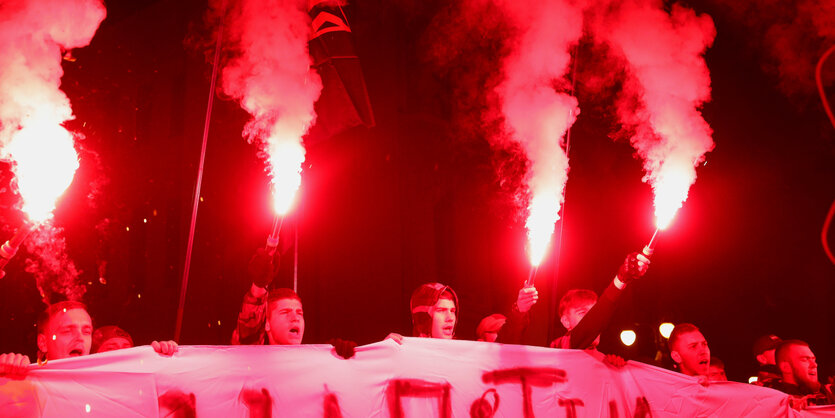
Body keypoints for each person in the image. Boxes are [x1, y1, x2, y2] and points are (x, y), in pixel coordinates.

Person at [231, 248, 355, 358]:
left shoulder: (314, 364)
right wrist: (259, 285)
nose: (295, 318)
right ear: (267, 324)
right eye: (285, 312)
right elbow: (248, 334)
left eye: (300, 313)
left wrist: (340, 360)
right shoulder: (254, 361)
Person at [0, 301, 177, 377]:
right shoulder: (25, 383)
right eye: (67, 331)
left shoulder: (111, 384)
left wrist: (166, 362)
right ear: (43, 343)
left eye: (86, 331)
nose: (79, 338)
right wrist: (5, 376)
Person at [549, 251, 650, 351]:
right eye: (583, 313)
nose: (592, 318)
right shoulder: (562, 347)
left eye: (594, 311)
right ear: (566, 321)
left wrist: (612, 366)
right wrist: (621, 279)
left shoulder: (604, 360)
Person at [769, 340, 833, 408]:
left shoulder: (828, 392)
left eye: (814, 360)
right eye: (805, 359)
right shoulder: (773, 402)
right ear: (786, 367)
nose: (814, 365)